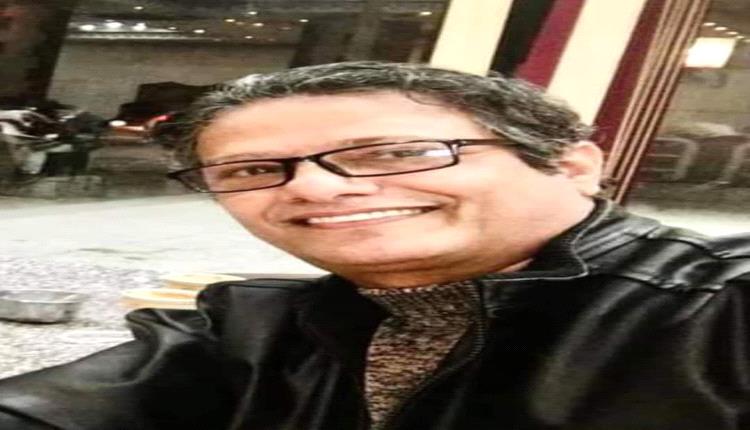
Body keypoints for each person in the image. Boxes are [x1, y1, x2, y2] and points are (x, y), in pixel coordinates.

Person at [1, 61, 750, 430]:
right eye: (254, 170)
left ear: (572, 164)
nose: (316, 189)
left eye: (394, 153)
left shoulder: (721, 314)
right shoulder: (257, 331)